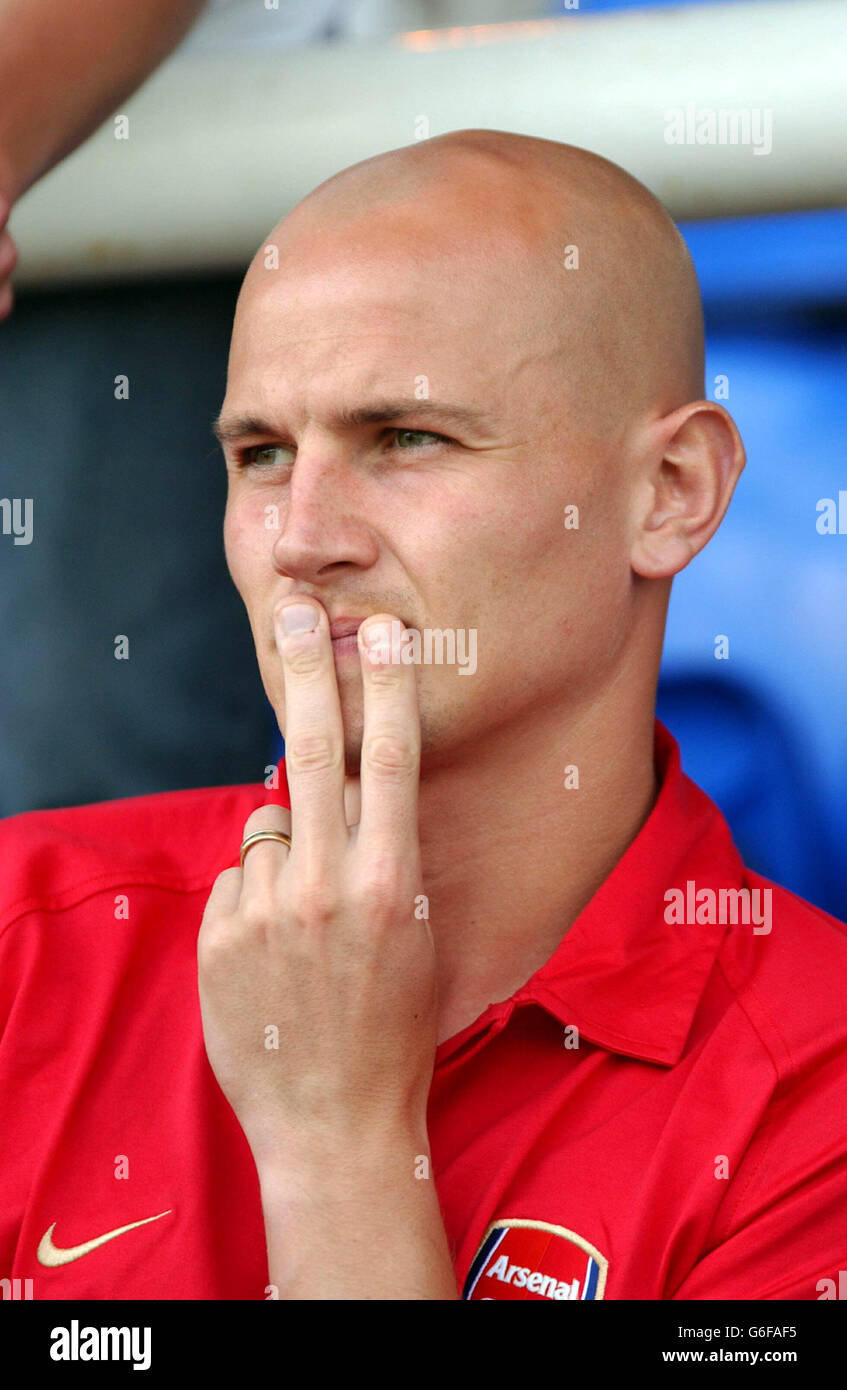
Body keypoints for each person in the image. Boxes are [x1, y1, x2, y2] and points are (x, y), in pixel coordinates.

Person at [2, 129, 846, 1301]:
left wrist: (337, 1144)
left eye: (405, 438)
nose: (300, 538)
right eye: (260, 454)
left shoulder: (818, 1096)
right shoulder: (25, 934)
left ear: (671, 494)